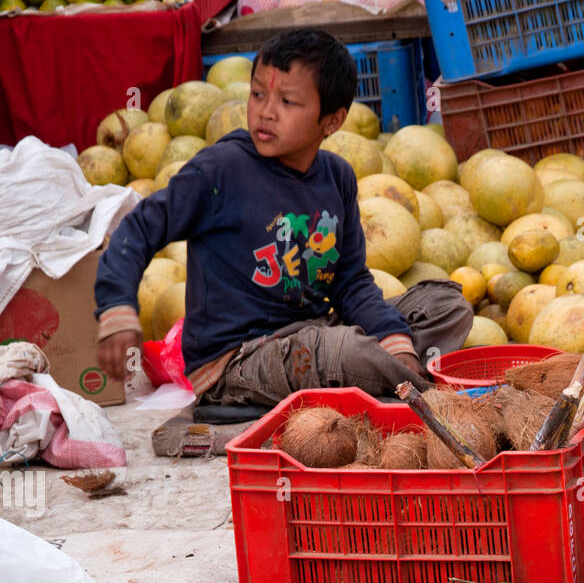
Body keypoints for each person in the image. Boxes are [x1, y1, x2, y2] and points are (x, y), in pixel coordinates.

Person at [95, 29, 473, 405]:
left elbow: (352, 283)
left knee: (447, 306)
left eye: (287, 101)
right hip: (237, 362)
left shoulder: (337, 177)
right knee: (344, 350)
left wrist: (396, 341)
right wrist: (118, 309)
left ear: (332, 121)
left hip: (315, 338)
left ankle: (390, 376)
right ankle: (429, 400)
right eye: (258, 94)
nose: (266, 111)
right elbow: (140, 227)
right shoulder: (222, 169)